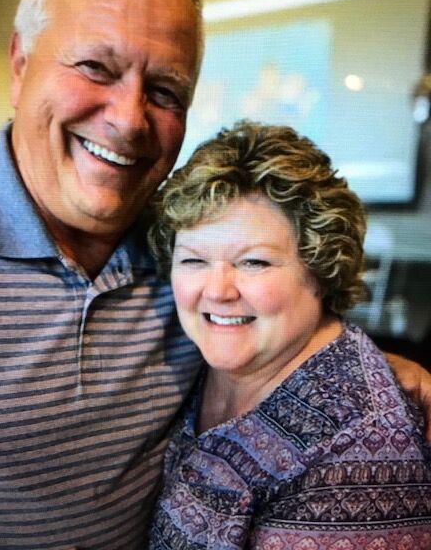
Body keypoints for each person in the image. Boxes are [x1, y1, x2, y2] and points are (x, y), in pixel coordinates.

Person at [0, 0, 429, 550]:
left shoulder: (180, 241)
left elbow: (286, 345)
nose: (129, 119)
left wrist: (377, 379)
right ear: (19, 62)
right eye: (95, 66)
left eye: (164, 90)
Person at [148, 122, 431, 549]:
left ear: (321, 269)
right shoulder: (203, 356)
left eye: (254, 262)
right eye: (193, 260)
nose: (217, 291)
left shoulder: (352, 449)